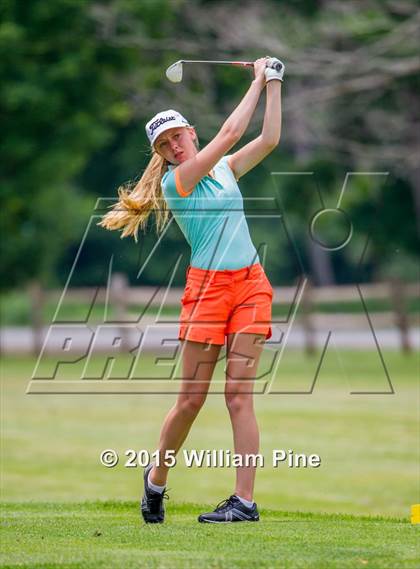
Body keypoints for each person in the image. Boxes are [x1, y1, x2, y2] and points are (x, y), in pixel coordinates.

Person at [99, 56, 284, 523]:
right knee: (192, 399)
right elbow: (229, 134)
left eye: (178, 136)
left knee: (239, 394)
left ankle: (244, 502)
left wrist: (276, 83)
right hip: (207, 291)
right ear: (161, 154)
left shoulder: (222, 169)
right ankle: (155, 480)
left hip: (251, 284)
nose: (175, 146)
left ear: (190, 133)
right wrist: (258, 81)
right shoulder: (176, 181)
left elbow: (270, 139)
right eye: (166, 143)